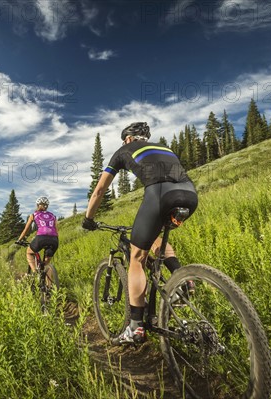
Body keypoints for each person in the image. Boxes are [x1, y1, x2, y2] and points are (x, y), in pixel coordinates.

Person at [82, 122, 198, 344]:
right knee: (157, 239)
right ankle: (183, 279)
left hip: (160, 194)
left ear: (127, 139)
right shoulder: (164, 147)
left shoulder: (123, 150)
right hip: (189, 195)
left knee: (137, 257)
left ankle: (135, 327)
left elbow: (99, 190)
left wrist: (88, 219)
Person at [16, 196, 59, 273]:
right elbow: (56, 231)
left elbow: (26, 230)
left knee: (29, 253)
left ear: (37, 205)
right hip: (54, 240)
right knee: (46, 265)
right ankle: (48, 285)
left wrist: (19, 240)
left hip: (41, 238)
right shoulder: (53, 216)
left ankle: (35, 273)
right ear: (47, 206)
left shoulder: (34, 215)